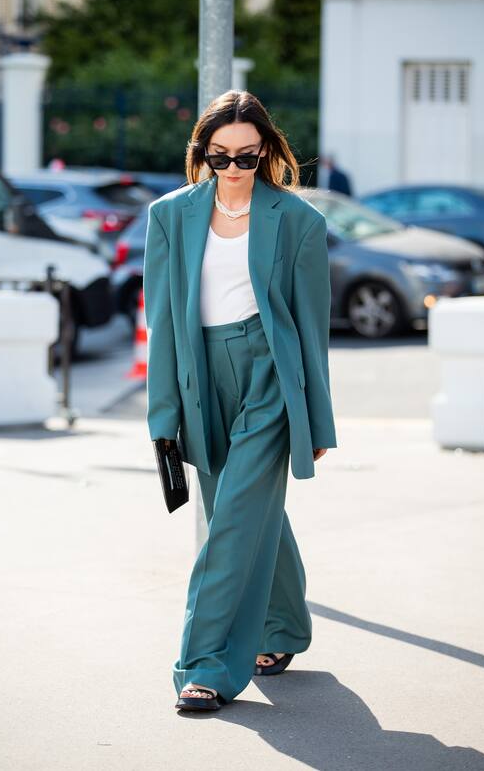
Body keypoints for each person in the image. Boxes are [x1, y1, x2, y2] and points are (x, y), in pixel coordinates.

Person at [143, 89, 337, 712]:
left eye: (247, 156)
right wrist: (163, 416)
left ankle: (204, 665)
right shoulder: (169, 216)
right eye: (220, 155)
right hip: (202, 378)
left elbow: (311, 329)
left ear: (266, 152)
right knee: (250, 508)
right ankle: (284, 627)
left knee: (230, 521)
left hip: (269, 377)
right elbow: (163, 324)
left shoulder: (299, 221)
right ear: (201, 152)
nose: (233, 167)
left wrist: (317, 421)